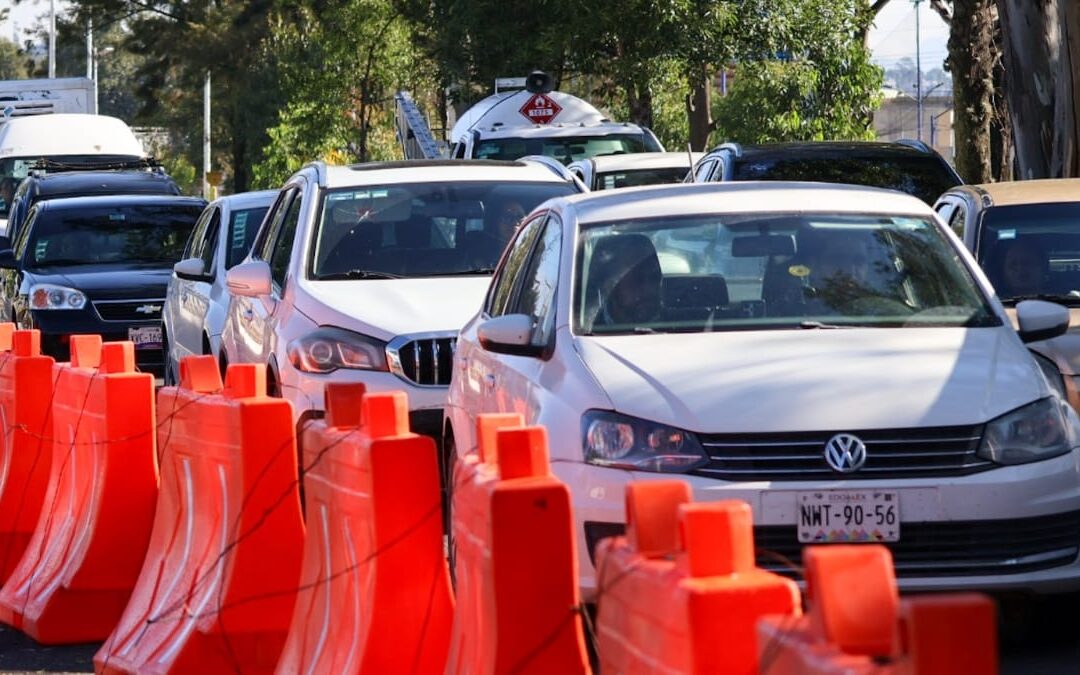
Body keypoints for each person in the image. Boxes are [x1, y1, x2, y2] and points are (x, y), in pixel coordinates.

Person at [588, 233, 663, 328]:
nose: (649, 288)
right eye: (637, 280)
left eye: (654, 277)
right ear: (608, 285)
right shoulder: (585, 332)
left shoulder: (682, 328)